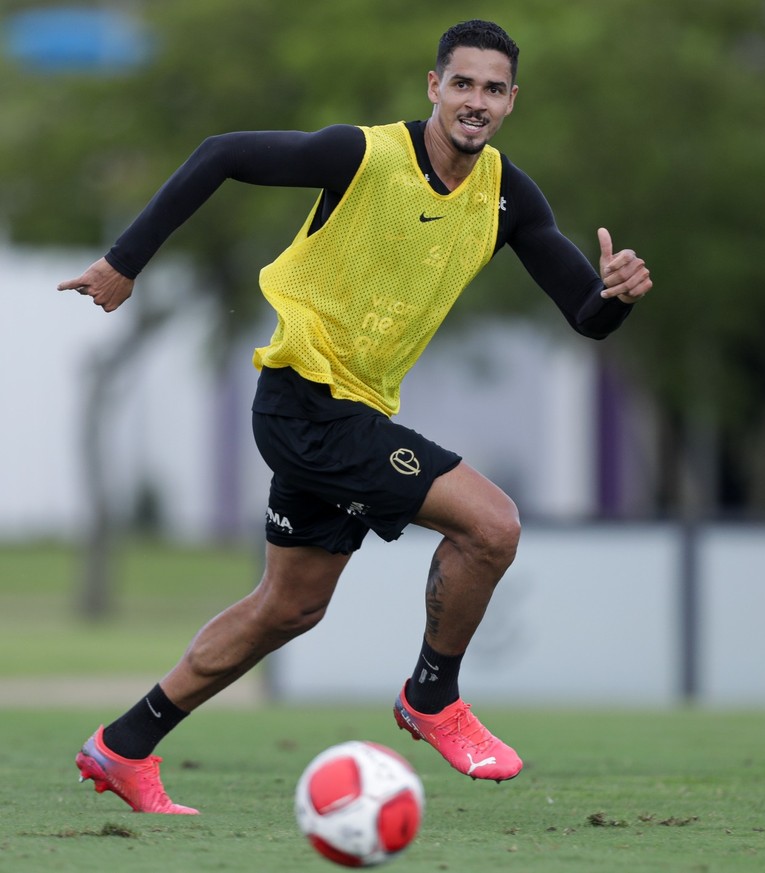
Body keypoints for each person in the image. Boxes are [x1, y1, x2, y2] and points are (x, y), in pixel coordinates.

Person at [60, 19, 652, 814]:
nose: (476, 100)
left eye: (494, 88)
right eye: (463, 83)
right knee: (493, 525)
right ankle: (432, 697)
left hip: (352, 410)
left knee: (289, 606)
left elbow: (584, 313)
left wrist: (614, 296)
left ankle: (123, 745)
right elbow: (221, 153)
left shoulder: (509, 195)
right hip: (305, 404)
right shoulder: (363, 154)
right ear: (433, 87)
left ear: (513, 101)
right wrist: (122, 263)